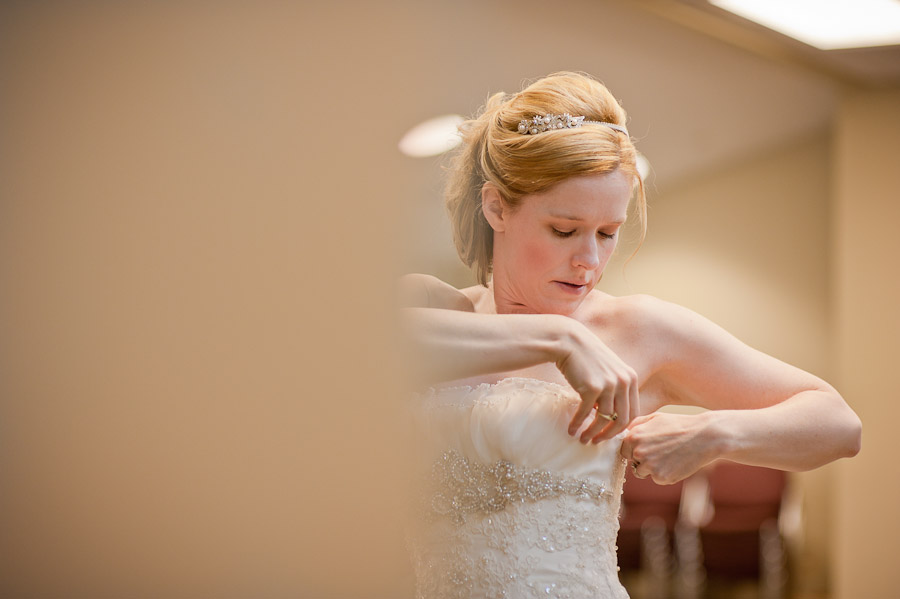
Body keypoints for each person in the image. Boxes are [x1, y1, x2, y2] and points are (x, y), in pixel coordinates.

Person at [400, 72, 861, 599]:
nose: (589, 261)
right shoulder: (437, 310)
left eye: (607, 233)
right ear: (496, 207)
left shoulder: (639, 331)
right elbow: (359, 349)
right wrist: (559, 338)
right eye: (564, 230)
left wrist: (712, 435)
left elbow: (839, 425)